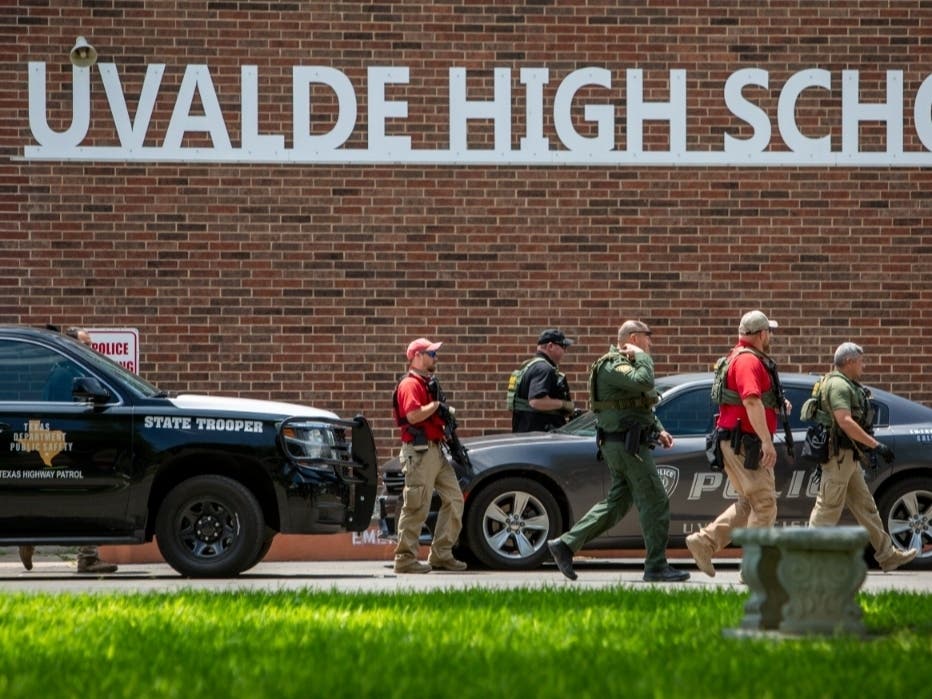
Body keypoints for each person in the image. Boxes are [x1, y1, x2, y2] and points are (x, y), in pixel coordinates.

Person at [547, 320, 690, 582]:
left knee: (617, 503)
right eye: (648, 338)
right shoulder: (614, 364)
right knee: (656, 501)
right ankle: (656, 566)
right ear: (634, 338)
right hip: (626, 445)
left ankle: (565, 545)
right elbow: (644, 381)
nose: (651, 344)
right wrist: (643, 358)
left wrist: (658, 428)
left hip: (625, 443)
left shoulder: (627, 363)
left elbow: (638, 403)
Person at [685, 310, 786, 578]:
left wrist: (775, 405)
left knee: (748, 504)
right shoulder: (748, 362)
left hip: (737, 442)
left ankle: (704, 543)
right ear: (762, 334)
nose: (771, 337)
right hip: (746, 445)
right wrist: (767, 442)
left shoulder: (739, 357)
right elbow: (750, 400)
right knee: (764, 504)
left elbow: (754, 400)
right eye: (770, 332)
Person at [806, 342, 917, 572]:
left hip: (848, 457)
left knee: (866, 507)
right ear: (848, 362)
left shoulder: (845, 383)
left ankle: (887, 555)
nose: (863, 366)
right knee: (827, 508)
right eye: (860, 361)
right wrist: (875, 445)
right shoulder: (838, 385)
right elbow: (844, 420)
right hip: (839, 457)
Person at [20, 326, 119, 575]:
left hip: (65, 444)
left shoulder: (64, 372)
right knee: (89, 497)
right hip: (70, 446)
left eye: (90, 345)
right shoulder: (68, 375)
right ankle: (87, 557)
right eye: (84, 345)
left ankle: (29, 534)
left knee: (64, 497)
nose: (89, 350)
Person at [391, 338, 466, 574]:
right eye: (431, 353)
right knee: (417, 505)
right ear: (417, 356)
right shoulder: (410, 385)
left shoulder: (427, 383)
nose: (435, 357)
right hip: (420, 452)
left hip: (435, 450)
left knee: (455, 499)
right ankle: (404, 559)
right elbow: (413, 416)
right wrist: (436, 407)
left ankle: (442, 554)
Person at [509, 329, 576, 433]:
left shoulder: (530, 365)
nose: (565, 351)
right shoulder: (544, 369)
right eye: (563, 346)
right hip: (539, 435)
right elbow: (536, 401)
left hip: (527, 432)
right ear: (550, 346)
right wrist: (563, 404)